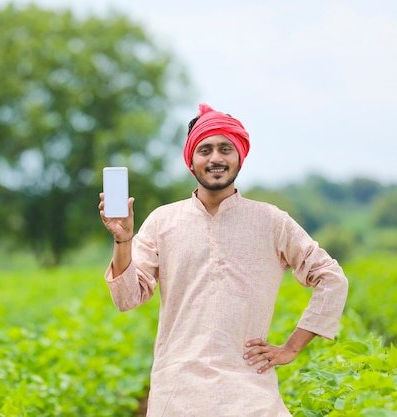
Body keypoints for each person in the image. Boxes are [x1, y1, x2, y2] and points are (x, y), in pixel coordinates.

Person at [98, 103, 349, 416]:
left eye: (225, 149)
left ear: (239, 156)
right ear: (191, 161)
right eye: (205, 150)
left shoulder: (271, 221)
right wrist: (123, 239)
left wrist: (292, 347)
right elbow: (127, 298)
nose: (215, 158)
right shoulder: (163, 221)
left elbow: (331, 277)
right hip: (176, 392)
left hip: (250, 394)